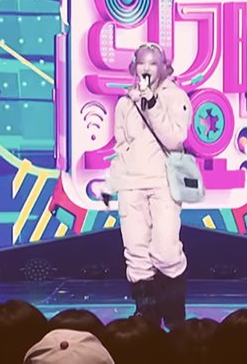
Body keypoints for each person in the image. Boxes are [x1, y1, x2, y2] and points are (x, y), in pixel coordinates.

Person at [101, 43, 192, 328]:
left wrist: (152, 105)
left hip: (163, 183)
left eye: (153, 63)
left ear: (164, 67)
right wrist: (110, 183)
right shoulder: (124, 103)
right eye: (142, 63)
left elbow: (175, 139)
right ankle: (147, 321)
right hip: (131, 185)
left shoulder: (176, 97)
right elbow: (121, 147)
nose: (147, 68)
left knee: (166, 251)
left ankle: (175, 320)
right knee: (137, 255)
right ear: (134, 67)